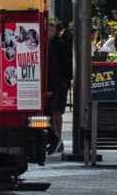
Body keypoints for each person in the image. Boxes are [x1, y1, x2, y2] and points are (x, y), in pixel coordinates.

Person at [45, 21, 73, 154]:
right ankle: (54, 137)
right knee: (50, 109)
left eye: (50, 31)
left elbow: (59, 67)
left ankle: (57, 137)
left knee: (56, 109)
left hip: (60, 82)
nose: (48, 34)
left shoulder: (59, 45)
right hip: (55, 82)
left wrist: (61, 83)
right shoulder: (48, 44)